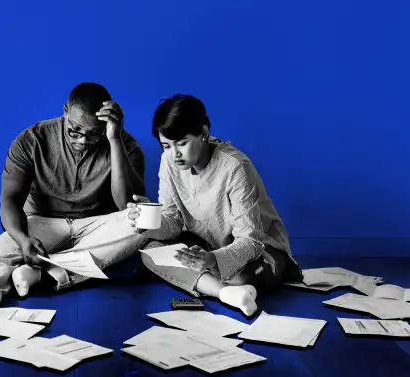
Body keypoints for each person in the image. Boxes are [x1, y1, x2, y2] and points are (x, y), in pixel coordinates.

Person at [0, 82, 148, 318]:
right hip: (43, 221)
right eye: (75, 130)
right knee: (4, 247)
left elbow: (126, 205)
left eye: (94, 134)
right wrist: (23, 239)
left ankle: (42, 275)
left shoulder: (127, 146)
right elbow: (9, 200)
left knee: (140, 225)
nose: (83, 140)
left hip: (96, 227)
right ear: (65, 111)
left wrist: (114, 140)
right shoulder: (32, 139)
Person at [127, 94, 303, 316]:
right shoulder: (168, 162)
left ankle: (228, 286)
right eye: (166, 146)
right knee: (150, 252)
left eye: (182, 143)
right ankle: (226, 293)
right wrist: (149, 223)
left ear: (203, 134)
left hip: (261, 250)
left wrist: (213, 260)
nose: (175, 154)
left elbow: (251, 240)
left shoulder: (235, 167)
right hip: (208, 246)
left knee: (238, 276)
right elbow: (172, 223)